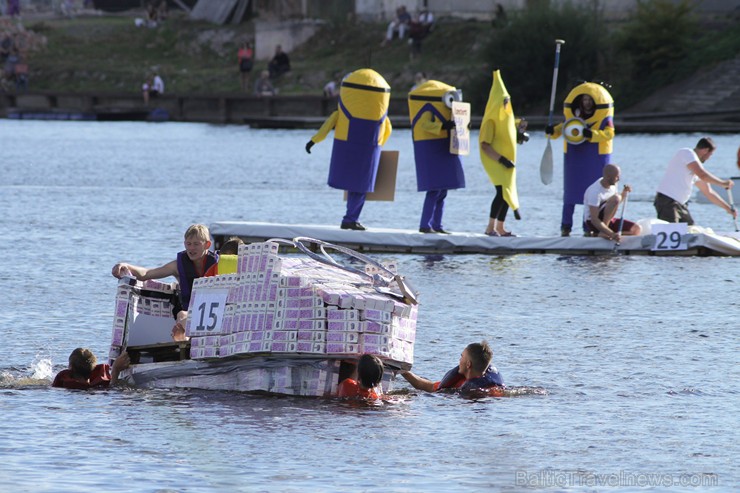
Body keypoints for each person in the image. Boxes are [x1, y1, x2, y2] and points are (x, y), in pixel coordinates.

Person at [305, 69, 392, 231]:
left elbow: (329, 123)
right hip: (369, 149)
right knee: (361, 187)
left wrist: (313, 141)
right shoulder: (381, 115)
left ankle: (350, 218)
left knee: (354, 186)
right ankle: (350, 219)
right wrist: (379, 147)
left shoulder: (342, 112)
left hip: (347, 148)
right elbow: (388, 129)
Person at [546, 83, 615, 236]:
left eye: (590, 100)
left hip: (596, 160)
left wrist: (591, 134)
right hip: (574, 160)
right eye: (584, 100)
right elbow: (563, 128)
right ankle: (565, 228)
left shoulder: (605, 117)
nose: (587, 103)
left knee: (592, 197)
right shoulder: (574, 115)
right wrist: (551, 131)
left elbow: (609, 133)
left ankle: (588, 228)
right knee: (570, 196)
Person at [111, 224, 218, 315]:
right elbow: (146, 274)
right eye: (188, 244)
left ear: (207, 245)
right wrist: (126, 266)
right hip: (188, 313)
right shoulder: (177, 266)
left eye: (196, 244)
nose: (191, 248)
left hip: (215, 311)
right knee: (181, 315)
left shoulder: (218, 264)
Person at [408, 79, 466, 233]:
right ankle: (425, 225)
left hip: (445, 147)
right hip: (430, 148)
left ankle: (437, 225)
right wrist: (443, 126)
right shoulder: (428, 108)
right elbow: (424, 124)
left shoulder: (450, 110)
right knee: (434, 190)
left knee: (443, 190)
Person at [480, 69, 528, 236]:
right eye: (504, 101)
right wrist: (501, 159)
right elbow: (485, 145)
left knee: (507, 193)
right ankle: (490, 227)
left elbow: (509, 134)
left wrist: (519, 133)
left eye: (508, 101)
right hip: (496, 161)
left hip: (507, 161)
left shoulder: (506, 120)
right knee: (501, 193)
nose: (506, 105)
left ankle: (500, 227)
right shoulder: (490, 122)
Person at [654, 137, 736, 225]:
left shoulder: (696, 167)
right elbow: (703, 175)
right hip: (667, 201)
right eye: (710, 154)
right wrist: (722, 183)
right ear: (705, 150)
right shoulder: (686, 153)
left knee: (692, 230)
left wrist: (728, 208)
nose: (709, 158)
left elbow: (709, 192)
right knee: (672, 233)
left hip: (681, 204)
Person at [400, 341, 504, 393]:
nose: (459, 360)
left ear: (468, 364)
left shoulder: (492, 391)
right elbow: (428, 386)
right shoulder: (459, 382)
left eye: (462, 356)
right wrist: (404, 372)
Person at [583, 164, 641, 241]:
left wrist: (624, 193)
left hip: (608, 219)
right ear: (608, 177)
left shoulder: (613, 185)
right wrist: (611, 234)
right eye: (617, 177)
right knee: (616, 197)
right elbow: (594, 219)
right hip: (593, 223)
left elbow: (614, 205)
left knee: (636, 230)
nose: (619, 179)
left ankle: (600, 234)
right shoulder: (595, 192)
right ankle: (604, 232)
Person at [52, 349, 130, 389]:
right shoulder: (100, 387)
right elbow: (113, 387)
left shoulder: (63, 384)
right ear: (94, 369)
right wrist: (115, 369)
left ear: (70, 366)